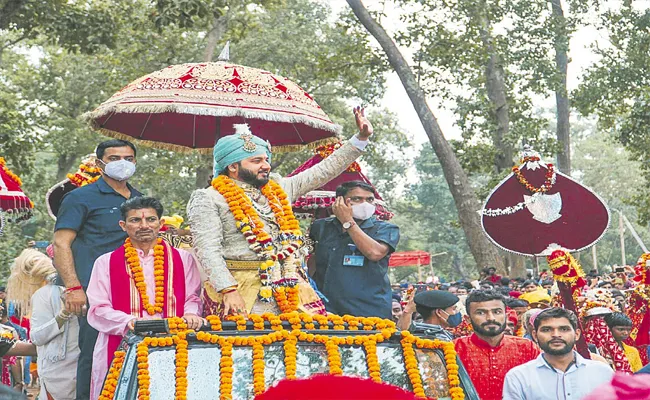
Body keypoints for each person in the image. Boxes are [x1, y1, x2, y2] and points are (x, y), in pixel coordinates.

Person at [187, 108, 374, 317]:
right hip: (240, 290)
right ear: (232, 166)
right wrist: (228, 289)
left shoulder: (279, 189)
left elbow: (323, 170)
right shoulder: (209, 198)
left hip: (290, 284)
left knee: (309, 345)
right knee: (247, 347)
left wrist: (360, 139)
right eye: (256, 161)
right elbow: (207, 250)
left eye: (266, 159)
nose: (266, 165)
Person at [86, 197, 202, 400]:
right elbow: (98, 309)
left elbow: (193, 297)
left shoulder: (184, 259)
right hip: (124, 345)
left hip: (174, 345)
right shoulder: (105, 263)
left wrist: (192, 313)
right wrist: (130, 322)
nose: (144, 225)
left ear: (161, 224)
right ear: (123, 225)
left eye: (150, 219)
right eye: (135, 220)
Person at [52, 139, 142, 400]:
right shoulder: (80, 197)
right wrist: (73, 287)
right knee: (93, 353)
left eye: (128, 158)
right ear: (99, 163)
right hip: (93, 291)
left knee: (133, 351)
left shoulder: (139, 199)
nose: (122, 164)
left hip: (136, 290)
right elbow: (61, 243)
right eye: (114, 158)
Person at [309, 181, 400, 318]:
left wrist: (348, 221)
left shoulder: (385, 229)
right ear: (339, 201)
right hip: (327, 310)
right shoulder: (321, 227)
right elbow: (313, 260)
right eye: (357, 199)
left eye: (369, 199)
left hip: (369, 311)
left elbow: (374, 253)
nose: (365, 204)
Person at [503, 307, 614, 400]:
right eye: (546, 330)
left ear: (576, 334)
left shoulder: (602, 372)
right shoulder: (519, 377)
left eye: (564, 329)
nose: (556, 335)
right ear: (535, 335)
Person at [15, 249, 80, 400]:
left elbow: (37, 337)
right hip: (79, 370)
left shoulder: (44, 294)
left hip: (57, 373)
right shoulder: (82, 288)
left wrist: (62, 316)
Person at [454, 289, 540, 400]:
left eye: (497, 312)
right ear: (468, 319)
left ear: (506, 315)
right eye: (481, 313)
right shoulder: (454, 349)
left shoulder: (527, 348)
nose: (491, 318)